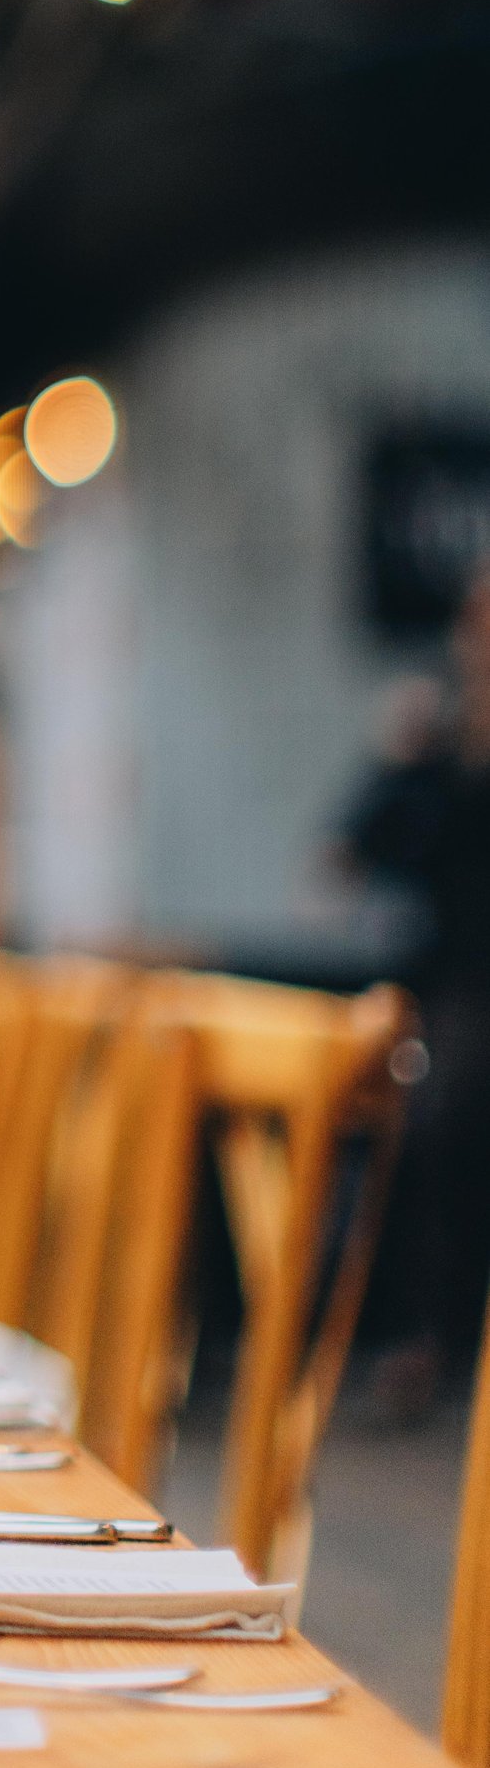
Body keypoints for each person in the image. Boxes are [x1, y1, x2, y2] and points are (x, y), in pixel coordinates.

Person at [346, 561, 490, 1396]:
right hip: (460, 974)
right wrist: (389, 759)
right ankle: (435, 1339)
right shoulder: (437, 728)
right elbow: (352, 849)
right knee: (436, 1133)